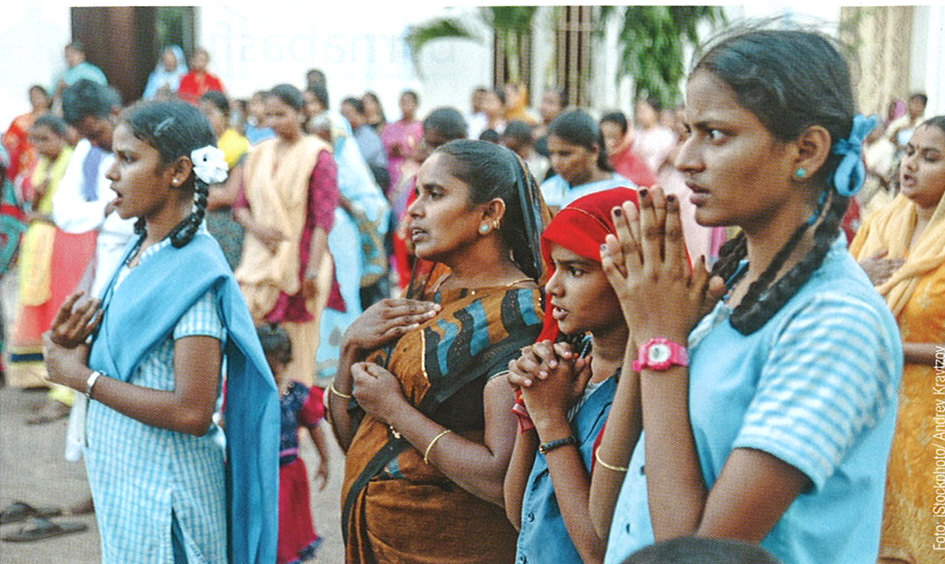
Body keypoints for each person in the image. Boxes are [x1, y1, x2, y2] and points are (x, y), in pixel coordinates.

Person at [591, 28, 902, 564]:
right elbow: (607, 516)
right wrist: (648, 329)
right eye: (689, 131)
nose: (686, 159)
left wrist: (662, 343)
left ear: (805, 150)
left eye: (715, 134)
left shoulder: (835, 322)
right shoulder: (728, 295)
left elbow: (698, 553)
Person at [41, 99, 279, 562]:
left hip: (166, 494)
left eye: (128, 159)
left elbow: (192, 411)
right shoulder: (142, 248)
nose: (111, 173)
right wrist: (73, 345)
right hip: (130, 481)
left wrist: (80, 378)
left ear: (178, 171)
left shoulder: (193, 273)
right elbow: (136, 359)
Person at [329, 139, 548, 562]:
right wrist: (350, 350)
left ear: (490, 214)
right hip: (381, 537)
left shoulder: (521, 317)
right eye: (416, 194)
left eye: (435, 194)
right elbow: (360, 439)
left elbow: (499, 480)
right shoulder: (429, 292)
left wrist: (396, 410)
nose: (413, 210)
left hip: (451, 545)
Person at [504, 188, 637, 564]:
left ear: (628, 273)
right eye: (554, 267)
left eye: (576, 270)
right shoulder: (568, 368)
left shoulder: (652, 388)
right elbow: (520, 515)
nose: (552, 287)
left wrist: (550, 420)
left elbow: (599, 551)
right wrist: (533, 406)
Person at [850, 114, 945, 564]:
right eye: (910, 152)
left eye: (930, 158)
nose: (910, 165)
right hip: (870, 418)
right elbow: (838, 307)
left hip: (935, 427)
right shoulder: (880, 226)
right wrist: (856, 278)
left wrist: (895, 348)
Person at [234, 84, 341, 387]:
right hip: (257, 261)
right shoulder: (258, 154)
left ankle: (294, 420)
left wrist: (311, 271)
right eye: (268, 116)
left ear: (300, 113)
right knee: (252, 344)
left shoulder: (318, 156)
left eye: (281, 114)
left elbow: (322, 220)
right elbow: (240, 206)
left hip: (300, 262)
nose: (274, 122)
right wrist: (260, 231)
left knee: (294, 352)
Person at [8, 115, 92, 412]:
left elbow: (75, 206)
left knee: (62, 307)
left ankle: (65, 390)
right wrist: (35, 195)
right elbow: (27, 196)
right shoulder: (40, 162)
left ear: (62, 136)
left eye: (45, 139)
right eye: (35, 140)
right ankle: (41, 376)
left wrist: (42, 216)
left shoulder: (74, 160)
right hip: (41, 243)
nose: (40, 146)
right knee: (42, 309)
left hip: (68, 242)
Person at [257, 323, 330, 564]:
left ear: (285, 360)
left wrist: (325, 460)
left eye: (276, 362)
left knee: (284, 522)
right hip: (256, 471)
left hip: (286, 471)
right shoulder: (245, 392)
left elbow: (315, 426)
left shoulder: (296, 394)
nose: (271, 368)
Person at [540, 109, 631, 213]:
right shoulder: (547, 191)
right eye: (551, 153)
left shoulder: (622, 195)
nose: (555, 162)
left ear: (594, 151)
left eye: (565, 154)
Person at [198, 90, 250, 270]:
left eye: (209, 113)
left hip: (226, 228)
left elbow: (229, 195)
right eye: (201, 113)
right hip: (199, 225)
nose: (204, 119)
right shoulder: (197, 148)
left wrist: (192, 196)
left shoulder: (240, 148)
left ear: (226, 115)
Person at [341, 96, 390, 192]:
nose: (344, 118)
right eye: (342, 114)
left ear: (361, 115)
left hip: (373, 180)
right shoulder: (349, 134)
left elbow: (357, 162)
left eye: (347, 114)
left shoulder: (369, 136)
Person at [3, 85, 51, 182]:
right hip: (24, 167)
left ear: (47, 98)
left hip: (49, 163)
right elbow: (8, 141)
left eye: (38, 95)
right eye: (32, 96)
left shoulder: (56, 119)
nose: (35, 99)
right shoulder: (21, 121)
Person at [380, 90, 422, 196]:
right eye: (403, 102)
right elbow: (382, 148)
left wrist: (404, 153)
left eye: (409, 102)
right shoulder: (391, 127)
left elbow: (424, 152)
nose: (405, 106)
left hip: (411, 171)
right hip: (391, 169)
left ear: (416, 105)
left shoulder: (421, 128)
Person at [599, 111, 657, 188]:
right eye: (602, 136)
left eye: (612, 137)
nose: (606, 142)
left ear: (623, 137)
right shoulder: (594, 160)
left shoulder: (636, 166)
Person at [632, 97, 676, 174]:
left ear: (655, 112)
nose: (640, 115)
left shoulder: (665, 135)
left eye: (644, 111)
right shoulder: (634, 134)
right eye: (638, 112)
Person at [535, 87, 568, 158]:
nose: (544, 107)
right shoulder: (532, 126)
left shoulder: (563, 134)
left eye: (551, 103)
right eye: (543, 101)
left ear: (562, 108)